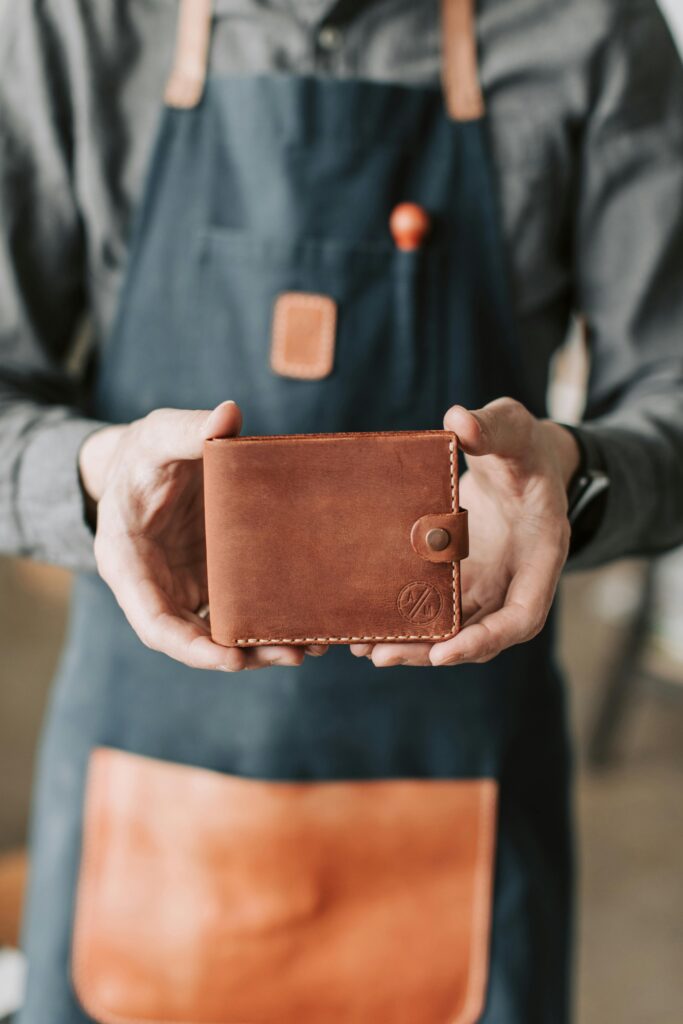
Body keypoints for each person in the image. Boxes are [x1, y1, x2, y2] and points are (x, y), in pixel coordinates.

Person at [1, 0, 682, 1021]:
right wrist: (96, 475)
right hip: (146, 776)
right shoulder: (76, 25)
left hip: (456, 781)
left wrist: (575, 477)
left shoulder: (585, 28)